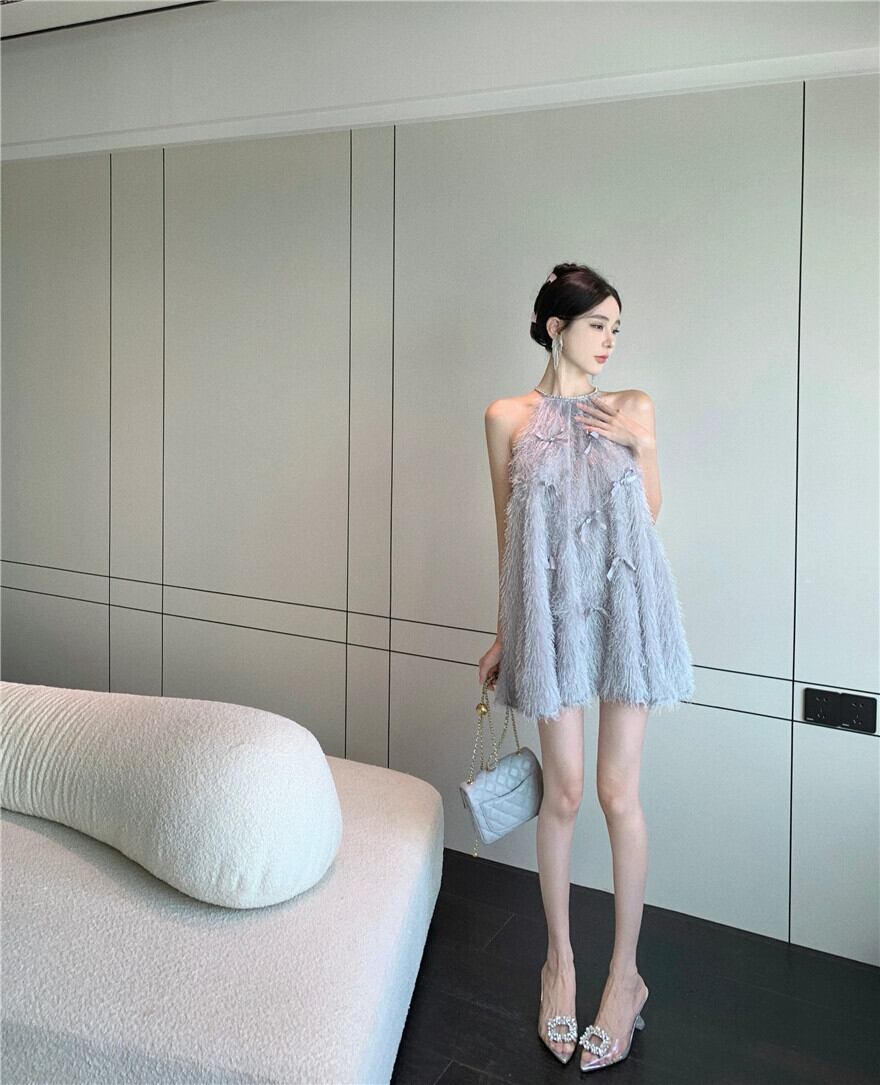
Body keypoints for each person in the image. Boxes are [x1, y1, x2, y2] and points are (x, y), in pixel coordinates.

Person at [478, 262, 695, 1072]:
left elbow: (651, 509)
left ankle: (626, 977)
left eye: (615, 328)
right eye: (597, 324)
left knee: (616, 791)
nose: (608, 340)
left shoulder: (631, 406)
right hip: (550, 615)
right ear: (554, 326)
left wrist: (644, 445)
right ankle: (559, 965)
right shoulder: (506, 417)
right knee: (564, 790)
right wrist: (505, 631)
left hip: (626, 608)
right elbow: (508, 537)